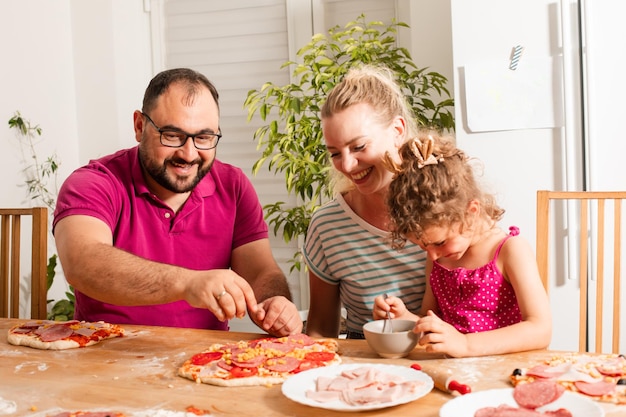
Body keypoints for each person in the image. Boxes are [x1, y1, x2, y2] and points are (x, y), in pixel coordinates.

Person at [53, 68, 302, 337]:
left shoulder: (234, 185)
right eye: (172, 135)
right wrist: (187, 283)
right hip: (106, 358)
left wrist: (275, 302)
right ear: (139, 126)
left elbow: (260, 271)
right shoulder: (94, 183)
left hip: (205, 362)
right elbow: (82, 262)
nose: (189, 153)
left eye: (204, 137)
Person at [373, 132, 552, 357]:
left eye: (440, 242)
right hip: (453, 371)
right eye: (423, 247)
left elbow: (540, 329)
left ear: (471, 211)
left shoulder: (510, 250)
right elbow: (433, 322)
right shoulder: (439, 258)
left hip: (503, 371)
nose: (433, 256)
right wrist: (406, 319)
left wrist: (465, 345)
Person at [303, 65, 428, 339]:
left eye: (359, 147)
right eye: (335, 153)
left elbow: (472, 314)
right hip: (362, 371)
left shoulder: (445, 212)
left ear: (397, 130)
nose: (347, 165)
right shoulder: (327, 226)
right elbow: (321, 330)